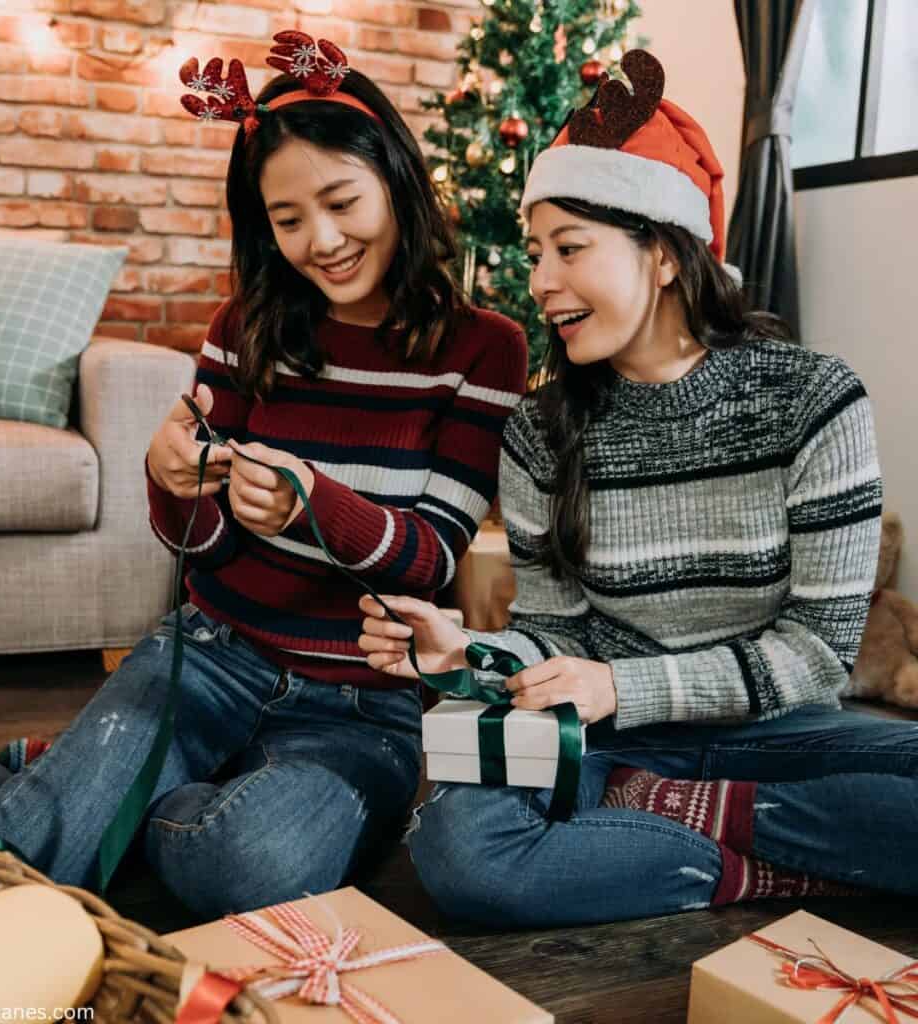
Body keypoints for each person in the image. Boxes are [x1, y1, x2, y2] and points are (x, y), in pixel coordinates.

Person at [0, 32, 527, 919]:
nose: (324, 241)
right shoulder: (248, 324)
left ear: (398, 180)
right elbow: (202, 550)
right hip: (211, 656)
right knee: (16, 872)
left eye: (342, 201)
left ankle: (64, 787)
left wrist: (314, 501)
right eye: (288, 218)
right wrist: (173, 480)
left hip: (360, 707)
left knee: (246, 862)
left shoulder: (484, 348)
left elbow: (428, 561)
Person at [358, 50, 916, 928]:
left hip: (776, 732)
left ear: (661, 252)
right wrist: (471, 649)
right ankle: (778, 859)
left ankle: (674, 823)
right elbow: (553, 637)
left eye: (569, 249)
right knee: (461, 854)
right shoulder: (541, 431)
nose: (540, 282)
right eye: (537, 251)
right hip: (605, 743)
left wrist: (627, 688)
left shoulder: (814, 398)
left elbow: (818, 655)